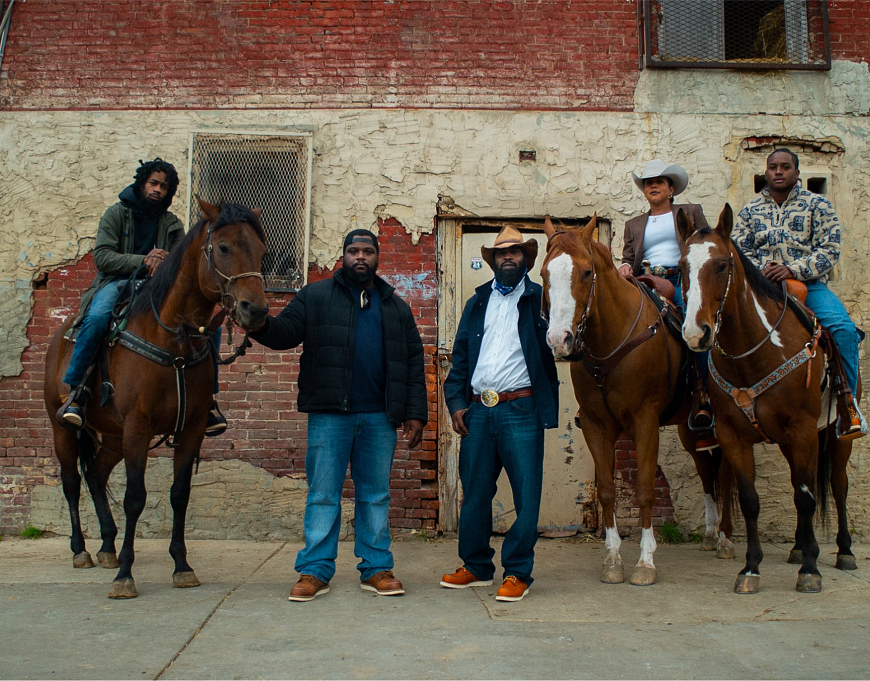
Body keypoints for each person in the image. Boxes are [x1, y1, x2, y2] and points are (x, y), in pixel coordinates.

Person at [250, 229, 428, 601]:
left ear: (377, 257)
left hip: (379, 417)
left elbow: (412, 362)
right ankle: (314, 571)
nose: (360, 257)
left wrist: (415, 413)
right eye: (353, 251)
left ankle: (376, 568)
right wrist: (258, 321)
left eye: (367, 251)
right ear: (342, 256)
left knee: (375, 495)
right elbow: (284, 333)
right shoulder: (315, 296)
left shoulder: (395, 306)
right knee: (323, 494)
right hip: (330, 415)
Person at [59, 158, 228, 436]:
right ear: (142, 183)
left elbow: (182, 264)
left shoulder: (172, 224)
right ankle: (76, 392)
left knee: (209, 327)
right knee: (98, 317)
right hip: (116, 282)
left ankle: (208, 401)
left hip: (158, 288)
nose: (157, 190)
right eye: (153, 183)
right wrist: (144, 259)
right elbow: (103, 257)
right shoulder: (116, 214)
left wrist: (167, 263)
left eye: (164, 186)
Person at [440, 226, 558, 602]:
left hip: (520, 408)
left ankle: (518, 572)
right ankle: (476, 567)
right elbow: (459, 358)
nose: (508, 257)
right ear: (493, 261)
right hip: (478, 409)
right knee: (474, 492)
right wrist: (457, 403)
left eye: (516, 252)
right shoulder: (477, 303)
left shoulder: (542, 299)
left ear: (526, 259)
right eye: (501, 253)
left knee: (526, 493)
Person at [734, 148, 866, 439]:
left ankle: (847, 404)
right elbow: (740, 251)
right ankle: (712, 402)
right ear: (765, 172)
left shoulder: (818, 205)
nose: (778, 172)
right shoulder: (749, 211)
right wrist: (763, 269)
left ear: (797, 172)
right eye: (772, 167)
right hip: (761, 287)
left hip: (809, 286)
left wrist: (792, 269)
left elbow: (830, 249)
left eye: (785, 167)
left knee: (843, 329)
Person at [619, 159, 715, 439]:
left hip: (684, 279)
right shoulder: (634, 224)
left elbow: (706, 244)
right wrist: (625, 267)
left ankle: (703, 395)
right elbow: (628, 257)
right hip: (647, 280)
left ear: (671, 189)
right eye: (648, 183)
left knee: (695, 327)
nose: (653, 186)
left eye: (659, 182)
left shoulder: (691, 212)